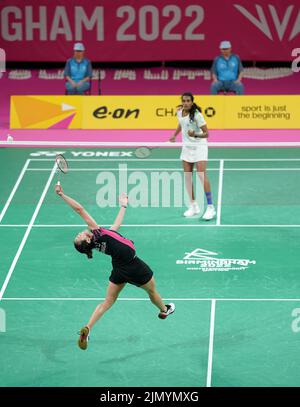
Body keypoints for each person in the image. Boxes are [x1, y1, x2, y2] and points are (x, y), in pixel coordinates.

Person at [54, 184, 175, 350]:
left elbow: (115, 229)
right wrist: (62, 195)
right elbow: (80, 209)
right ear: (87, 240)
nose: (79, 233)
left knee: (108, 301)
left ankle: (87, 329)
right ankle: (164, 310)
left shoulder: (101, 239)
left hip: (119, 269)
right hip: (134, 266)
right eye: (79, 236)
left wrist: (123, 205)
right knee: (152, 290)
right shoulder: (97, 233)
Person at [169, 92, 216, 220]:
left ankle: (211, 207)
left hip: (199, 146)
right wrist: (174, 135)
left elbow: (207, 134)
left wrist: (195, 134)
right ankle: (194, 206)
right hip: (186, 147)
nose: (185, 103)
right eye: (184, 100)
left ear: (192, 101)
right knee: (188, 177)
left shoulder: (197, 115)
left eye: (188, 101)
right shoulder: (179, 112)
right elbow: (181, 123)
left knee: (201, 175)